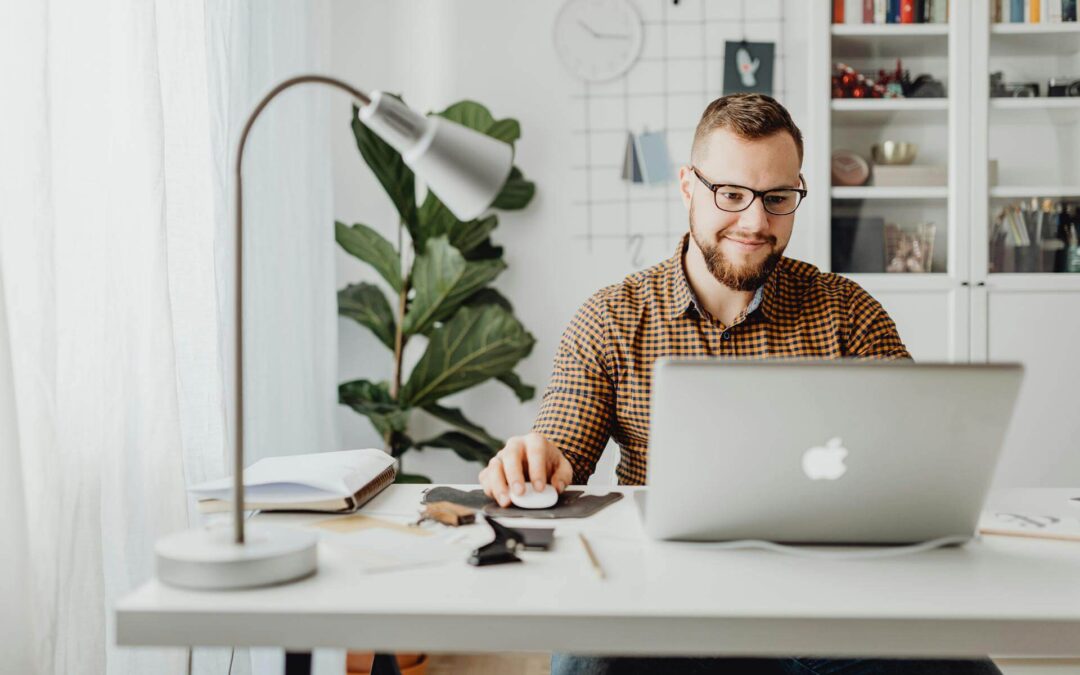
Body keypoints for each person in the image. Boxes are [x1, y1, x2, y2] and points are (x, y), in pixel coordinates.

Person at [477, 93, 1000, 675]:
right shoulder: (612, 316)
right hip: (664, 597)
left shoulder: (847, 311)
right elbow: (561, 446)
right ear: (688, 188)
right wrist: (536, 457)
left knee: (962, 668)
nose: (756, 222)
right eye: (731, 194)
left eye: (778, 199)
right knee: (586, 663)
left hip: (830, 597)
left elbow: (920, 454)